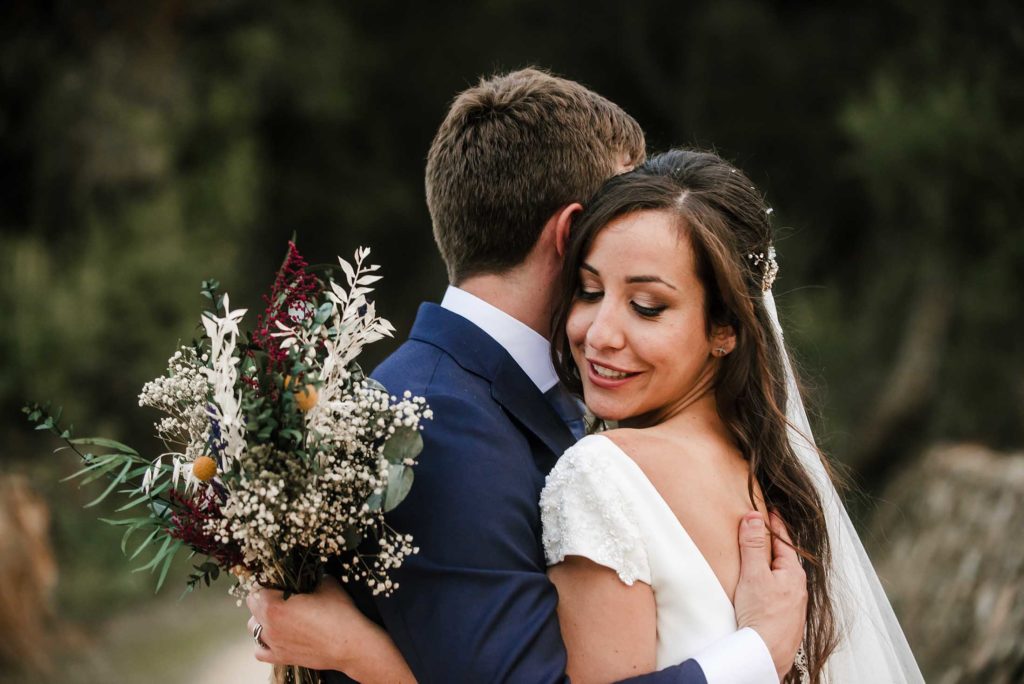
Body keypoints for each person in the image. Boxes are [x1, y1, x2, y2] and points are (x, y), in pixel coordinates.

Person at [245, 69, 807, 683]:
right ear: (571, 234)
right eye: (620, 208)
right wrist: (758, 653)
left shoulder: (564, 394)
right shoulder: (435, 418)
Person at [541, 148, 924, 683]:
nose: (599, 334)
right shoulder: (775, 481)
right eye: (589, 291)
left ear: (726, 329)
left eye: (647, 306)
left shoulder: (600, 474)